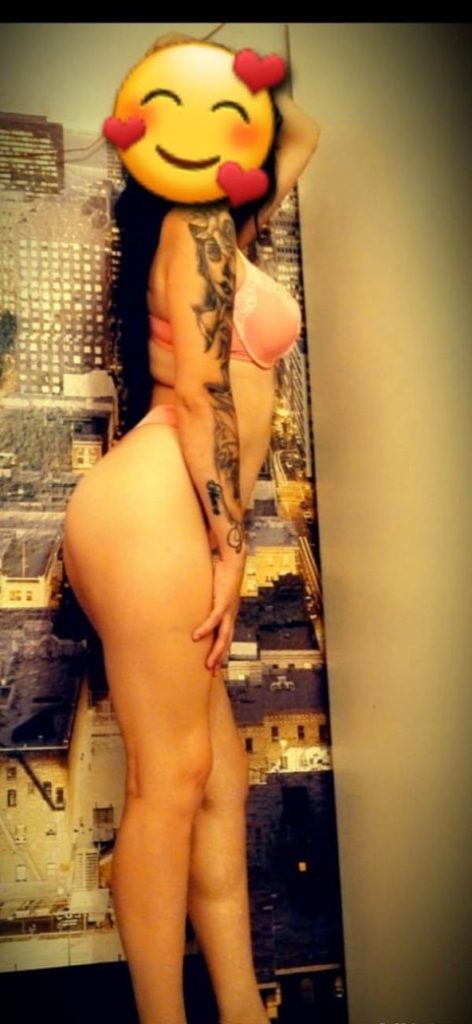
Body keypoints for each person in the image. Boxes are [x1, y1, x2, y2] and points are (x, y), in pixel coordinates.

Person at [62, 32, 320, 1024]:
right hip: (162, 507)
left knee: (216, 781)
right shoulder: (198, 223)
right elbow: (206, 398)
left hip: (166, 505)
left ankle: (241, 1009)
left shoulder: (222, 220)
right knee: (170, 782)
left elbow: (302, 129)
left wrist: (220, 66)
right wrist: (230, 547)